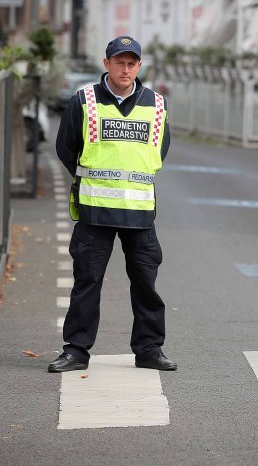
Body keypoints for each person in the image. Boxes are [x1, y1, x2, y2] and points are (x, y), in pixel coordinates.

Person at [48, 35, 176, 373]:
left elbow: (158, 151)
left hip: (139, 215)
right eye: (119, 62)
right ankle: (76, 351)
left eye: (131, 63)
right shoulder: (84, 101)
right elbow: (66, 148)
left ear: (139, 66)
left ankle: (149, 350)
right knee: (87, 283)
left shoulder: (157, 104)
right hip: (95, 212)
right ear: (106, 64)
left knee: (146, 285)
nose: (125, 68)